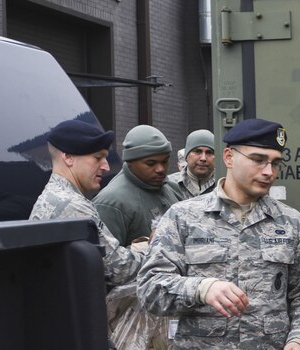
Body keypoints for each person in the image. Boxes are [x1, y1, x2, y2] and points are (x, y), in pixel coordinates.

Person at [137, 118, 300, 350]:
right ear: (229, 157)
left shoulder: (291, 224)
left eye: (275, 163)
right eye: (258, 160)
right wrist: (201, 288)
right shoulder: (183, 218)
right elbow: (150, 290)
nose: (269, 172)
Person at [30, 119, 146, 289]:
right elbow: (118, 270)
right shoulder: (70, 205)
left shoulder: (57, 197)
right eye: (98, 158)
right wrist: (153, 247)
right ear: (68, 157)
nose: (106, 167)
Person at [94, 125, 183, 245]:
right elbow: (106, 258)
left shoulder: (173, 189)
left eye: (164, 161)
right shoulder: (111, 203)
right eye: (151, 163)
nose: (160, 169)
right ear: (130, 161)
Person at [168, 129, 217, 198]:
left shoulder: (223, 185)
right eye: (197, 151)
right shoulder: (169, 185)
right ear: (186, 157)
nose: (203, 158)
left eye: (209, 152)